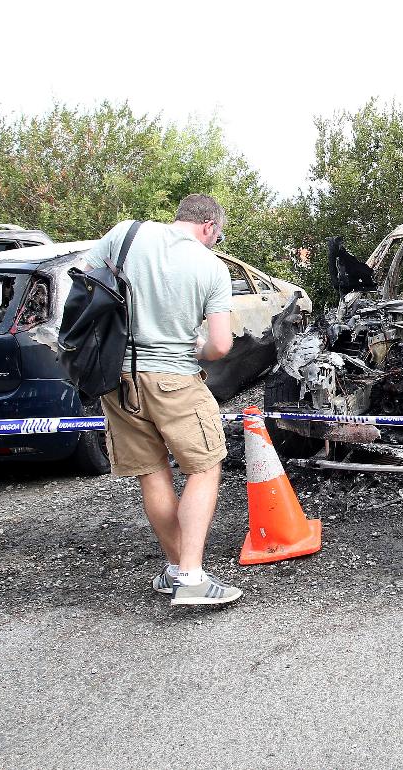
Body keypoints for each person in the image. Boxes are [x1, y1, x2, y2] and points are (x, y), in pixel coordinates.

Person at [85, 194, 241, 606]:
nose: (215, 243)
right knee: (204, 467)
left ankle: (177, 571)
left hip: (117, 378)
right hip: (174, 378)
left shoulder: (126, 234)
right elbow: (221, 346)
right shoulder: (211, 267)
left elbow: (85, 280)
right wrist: (196, 348)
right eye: (218, 236)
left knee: (152, 474)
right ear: (208, 225)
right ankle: (191, 576)